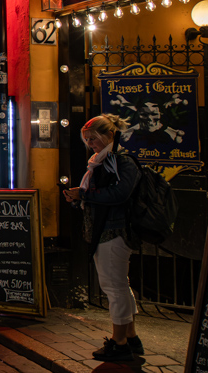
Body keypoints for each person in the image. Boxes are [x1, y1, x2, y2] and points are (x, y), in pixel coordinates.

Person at [63, 114, 142, 361]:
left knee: (113, 287)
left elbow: (119, 194)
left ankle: (119, 343)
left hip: (114, 232)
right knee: (119, 285)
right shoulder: (99, 163)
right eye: (87, 140)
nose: (91, 145)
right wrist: (79, 198)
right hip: (103, 232)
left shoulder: (120, 162)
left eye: (94, 139)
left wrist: (85, 195)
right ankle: (130, 338)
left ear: (110, 136)